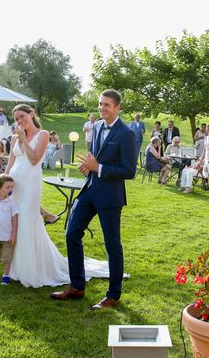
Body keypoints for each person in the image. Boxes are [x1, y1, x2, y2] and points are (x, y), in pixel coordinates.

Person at [5, 103, 112, 289]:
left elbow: (35, 159)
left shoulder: (43, 134)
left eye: (22, 116)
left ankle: (31, 269)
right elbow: (11, 162)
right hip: (14, 183)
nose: (20, 121)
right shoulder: (15, 137)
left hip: (30, 183)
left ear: (31, 114)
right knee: (14, 221)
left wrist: (23, 138)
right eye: (16, 119)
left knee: (27, 221)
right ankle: (13, 267)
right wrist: (3, 183)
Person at [51, 90, 137, 309]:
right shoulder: (97, 126)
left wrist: (98, 167)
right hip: (89, 189)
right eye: (100, 104)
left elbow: (129, 170)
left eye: (106, 105)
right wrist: (88, 167)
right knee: (71, 234)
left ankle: (113, 295)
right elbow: (96, 157)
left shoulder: (126, 133)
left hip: (110, 195)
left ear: (117, 107)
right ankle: (77, 287)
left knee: (112, 245)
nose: (102, 108)